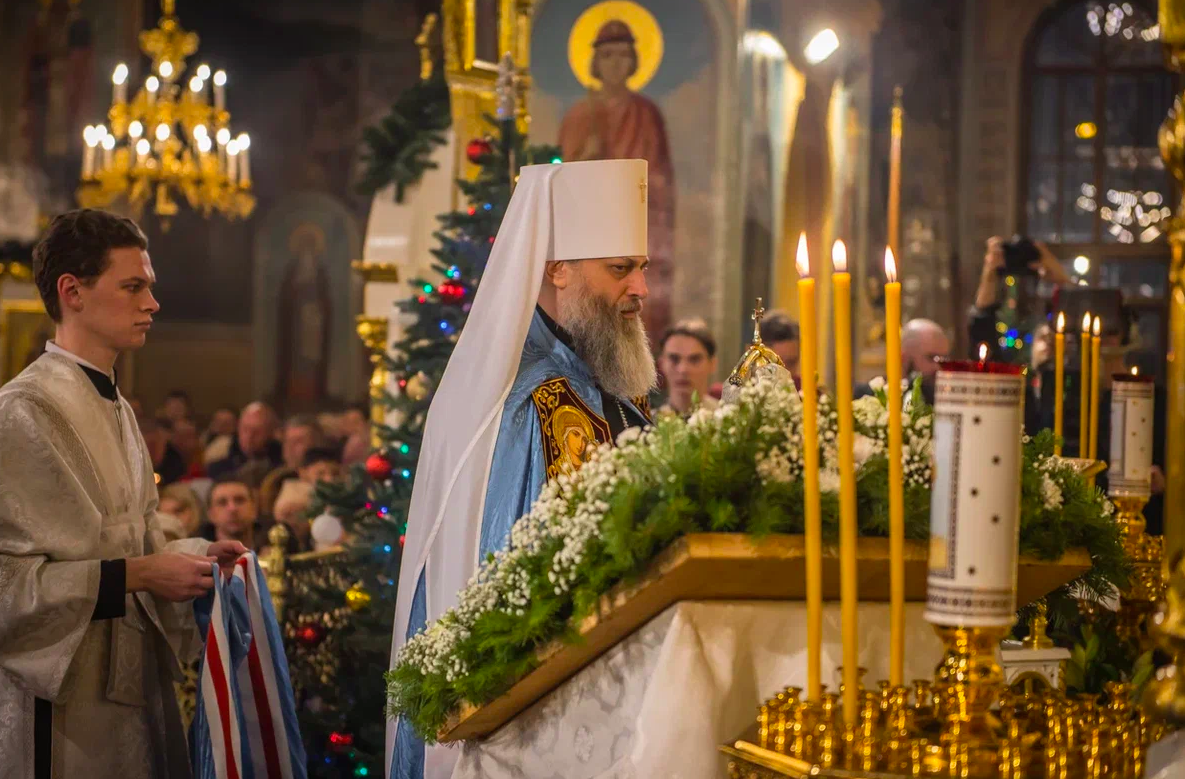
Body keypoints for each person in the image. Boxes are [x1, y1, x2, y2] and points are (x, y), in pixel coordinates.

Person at [388, 159, 655, 779]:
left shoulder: (612, 384)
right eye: (621, 268)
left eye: (643, 267)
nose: (640, 289)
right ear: (557, 268)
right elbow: (512, 594)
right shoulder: (531, 401)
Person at [0, 208, 245, 777]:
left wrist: (194, 556)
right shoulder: (23, 413)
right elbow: (8, 585)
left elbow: (135, 538)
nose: (152, 304)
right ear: (72, 292)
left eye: (150, 287)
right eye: (132, 286)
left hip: (126, 690)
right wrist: (138, 576)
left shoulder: (117, 406)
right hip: (58, 712)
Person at [558, 19, 675, 340]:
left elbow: (661, 177)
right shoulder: (581, 115)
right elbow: (564, 183)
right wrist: (587, 158)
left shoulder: (646, 114)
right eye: (608, 55)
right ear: (596, 62)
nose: (616, 63)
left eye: (623, 55)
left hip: (639, 224)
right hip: (593, 232)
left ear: (634, 60)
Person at [206, 400, 283, 479]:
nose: (249, 436)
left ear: (270, 433)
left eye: (257, 431)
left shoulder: (281, 465)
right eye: (245, 429)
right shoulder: (218, 468)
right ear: (238, 428)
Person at [657, 318, 718, 417]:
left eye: (694, 359)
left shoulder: (730, 422)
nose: (683, 369)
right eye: (674, 359)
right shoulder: (648, 425)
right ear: (661, 364)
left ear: (712, 364)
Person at [202, 476, 261, 551]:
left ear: (254, 508)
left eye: (239, 500)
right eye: (222, 503)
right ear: (210, 514)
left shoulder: (276, 551)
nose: (232, 509)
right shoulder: (197, 557)